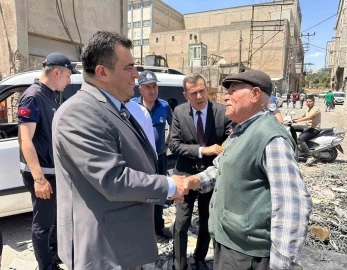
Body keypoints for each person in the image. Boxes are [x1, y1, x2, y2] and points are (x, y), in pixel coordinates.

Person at [52, 31, 186, 270]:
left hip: (121, 243)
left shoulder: (113, 107)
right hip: (103, 250)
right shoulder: (80, 112)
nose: (136, 75)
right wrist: (170, 185)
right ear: (102, 72)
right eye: (129, 68)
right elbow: (113, 179)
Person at [181, 70, 312, 270]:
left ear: (255, 95)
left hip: (247, 254)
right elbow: (219, 169)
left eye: (233, 91)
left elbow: (291, 205)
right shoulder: (240, 130)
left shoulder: (270, 138)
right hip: (229, 244)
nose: (226, 96)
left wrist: (281, 265)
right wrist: (190, 182)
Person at [18, 52, 79, 270]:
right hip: (41, 173)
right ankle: (46, 266)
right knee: (42, 224)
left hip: (51, 171)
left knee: (53, 219)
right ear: (56, 72)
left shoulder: (50, 95)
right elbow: (25, 140)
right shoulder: (33, 96)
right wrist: (39, 179)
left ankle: (54, 256)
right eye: (68, 75)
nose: (70, 81)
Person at [169, 74, 232, 270]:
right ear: (185, 95)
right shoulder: (179, 112)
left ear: (207, 90)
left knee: (207, 220)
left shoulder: (221, 112)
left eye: (202, 91)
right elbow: (173, 144)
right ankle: (179, 264)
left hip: (212, 175)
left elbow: (232, 139)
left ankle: (199, 258)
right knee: (182, 221)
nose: (199, 96)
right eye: (193, 93)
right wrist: (202, 150)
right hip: (185, 175)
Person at [133, 70, 173, 242]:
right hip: (140, 160)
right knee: (140, 193)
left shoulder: (164, 106)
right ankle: (142, 228)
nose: (152, 90)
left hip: (160, 158)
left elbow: (173, 125)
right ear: (140, 89)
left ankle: (158, 226)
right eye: (148, 87)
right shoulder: (132, 106)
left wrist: (166, 143)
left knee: (159, 192)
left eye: (154, 86)